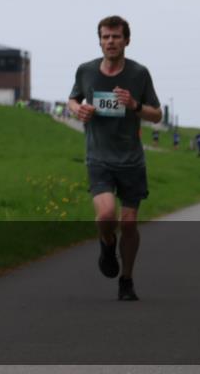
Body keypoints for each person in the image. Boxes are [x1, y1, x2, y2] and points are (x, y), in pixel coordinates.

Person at [68, 15, 162, 302]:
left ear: (126, 41)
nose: (111, 42)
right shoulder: (86, 71)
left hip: (131, 160)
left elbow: (157, 115)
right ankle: (107, 244)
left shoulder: (139, 74)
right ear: (99, 40)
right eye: (106, 37)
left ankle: (127, 279)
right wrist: (77, 109)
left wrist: (134, 105)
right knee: (107, 214)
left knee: (130, 223)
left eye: (116, 37)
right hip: (99, 157)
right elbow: (72, 99)